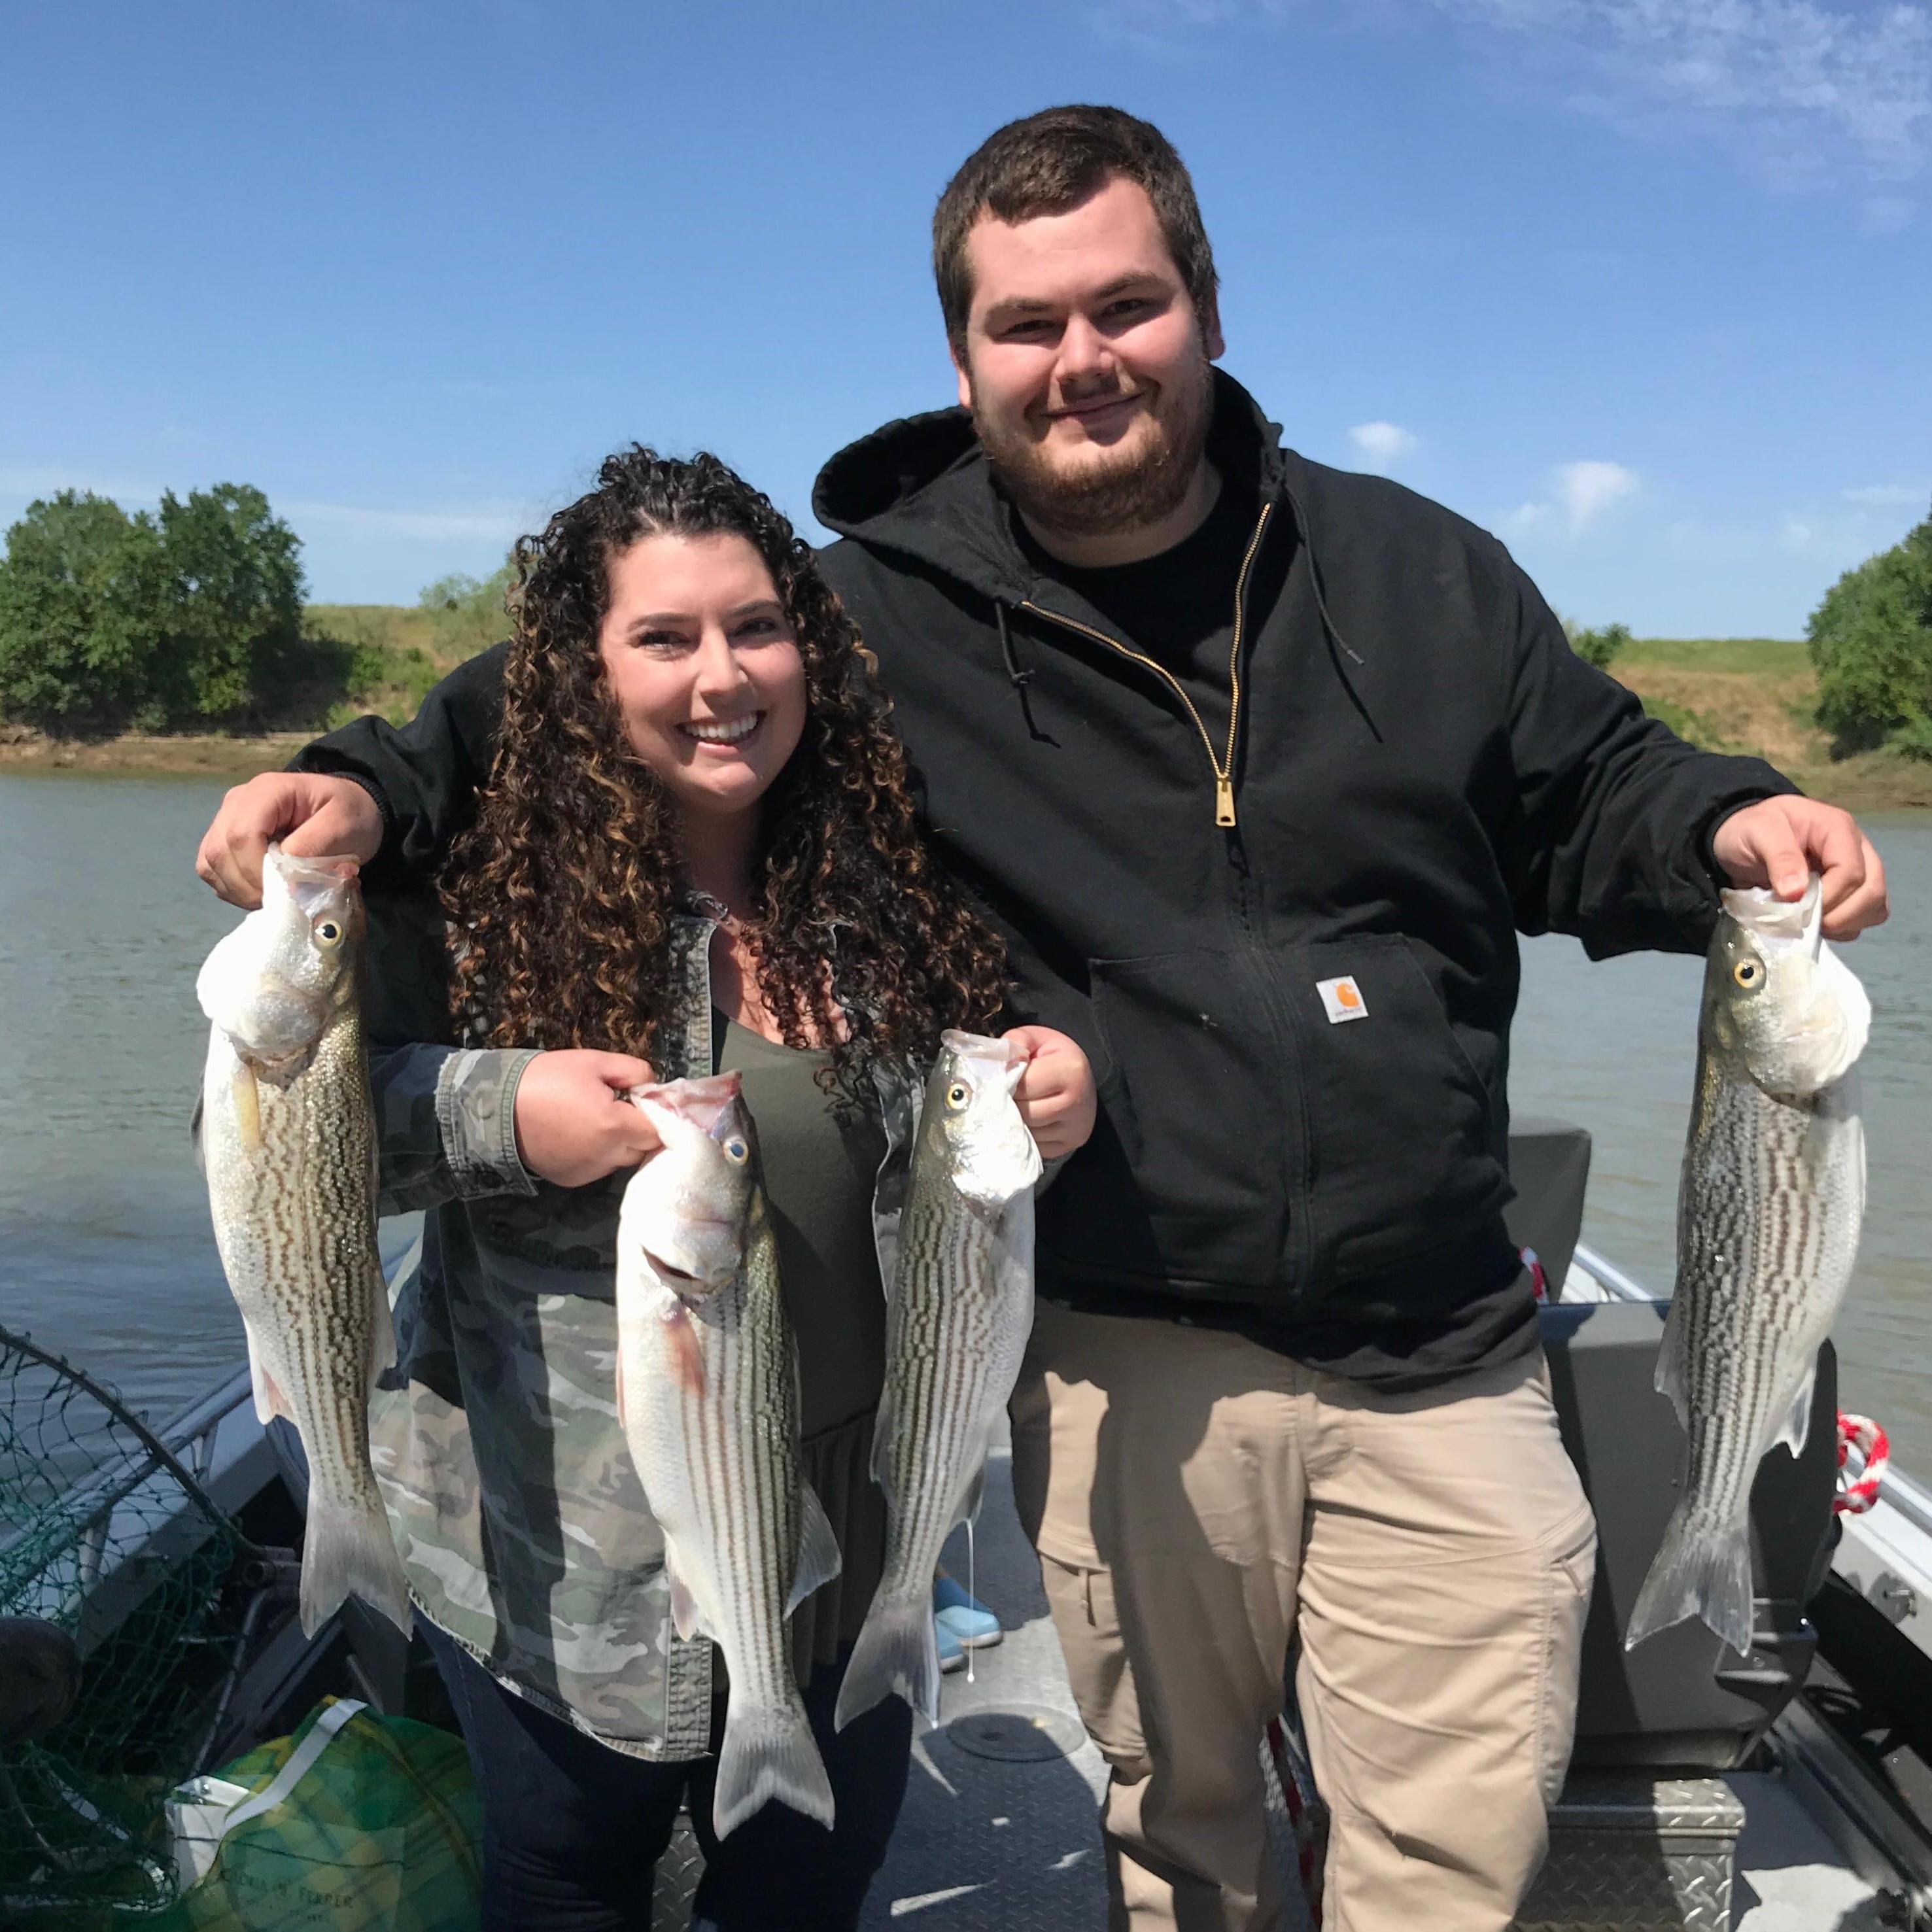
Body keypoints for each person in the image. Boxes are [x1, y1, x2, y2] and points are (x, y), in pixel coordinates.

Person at [197, 108, 1889, 1932]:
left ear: (1208, 311)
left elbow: (1590, 784)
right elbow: (558, 692)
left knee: (1455, 1863)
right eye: (1025, 324)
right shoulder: (876, 612)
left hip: (1439, 1343)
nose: (1080, 359)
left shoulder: (1420, 571)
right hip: (1123, 1344)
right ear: (964, 357)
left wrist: (1729, 817)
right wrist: (351, 784)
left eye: (1124, 305)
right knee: (1188, 1852)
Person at [344, 445, 1094, 1932]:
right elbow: (270, 1141)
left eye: (755, 626)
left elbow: (962, 1191)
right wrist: (501, 1111)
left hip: (851, 1549)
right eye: (663, 637)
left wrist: (1048, 1090)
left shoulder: (899, 895)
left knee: (802, 1899)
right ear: (579, 668)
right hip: (566, 1567)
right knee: (563, 1890)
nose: (721, 676)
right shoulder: (466, 895)